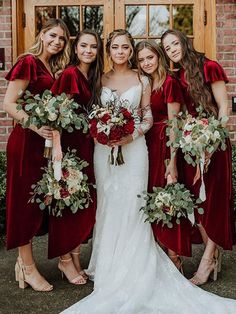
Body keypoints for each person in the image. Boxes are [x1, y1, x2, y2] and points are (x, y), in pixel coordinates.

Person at [60, 29, 236, 314]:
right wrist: (101, 133)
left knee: (134, 203)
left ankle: (142, 263)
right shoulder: (99, 79)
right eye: (115, 47)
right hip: (104, 151)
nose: (120, 52)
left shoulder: (142, 79)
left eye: (126, 48)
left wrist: (129, 136)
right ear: (110, 50)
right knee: (107, 204)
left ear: (131, 52)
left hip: (135, 148)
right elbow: (91, 114)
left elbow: (148, 115)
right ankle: (107, 263)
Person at [161, 29, 236, 286]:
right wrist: (186, 144)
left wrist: (213, 141)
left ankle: (206, 262)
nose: (172, 49)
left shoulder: (209, 67)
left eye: (174, 43)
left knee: (214, 201)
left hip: (214, 144)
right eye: (167, 48)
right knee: (197, 200)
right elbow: (180, 115)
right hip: (191, 146)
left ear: (184, 42)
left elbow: (224, 107)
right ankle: (212, 254)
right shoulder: (177, 77)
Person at [3, 18, 70, 291]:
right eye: (52, 36)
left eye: (62, 39)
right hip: (25, 142)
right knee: (23, 204)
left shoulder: (51, 67)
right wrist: (34, 125)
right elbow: (8, 103)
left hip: (43, 146)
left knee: (39, 203)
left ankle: (30, 263)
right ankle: (27, 267)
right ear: (41, 35)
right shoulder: (28, 62)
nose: (56, 42)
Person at [50, 29, 103, 285]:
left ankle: (76, 257)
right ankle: (64, 261)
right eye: (83, 45)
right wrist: (57, 148)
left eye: (93, 46)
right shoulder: (70, 74)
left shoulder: (92, 75)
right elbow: (58, 111)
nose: (88, 51)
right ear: (75, 47)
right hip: (69, 145)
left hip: (87, 146)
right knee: (66, 201)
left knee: (82, 204)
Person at [136, 39, 192, 270]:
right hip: (145, 145)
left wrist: (173, 162)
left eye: (150, 57)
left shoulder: (170, 83)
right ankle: (157, 254)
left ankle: (174, 256)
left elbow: (175, 124)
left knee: (168, 196)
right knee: (151, 197)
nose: (146, 63)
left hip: (164, 144)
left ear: (159, 56)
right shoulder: (145, 83)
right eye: (141, 60)